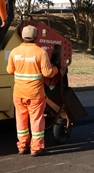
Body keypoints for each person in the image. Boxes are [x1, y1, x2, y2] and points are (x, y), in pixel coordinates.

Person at [6, 25, 58, 156]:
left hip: (18, 93)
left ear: (22, 36)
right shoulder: (40, 52)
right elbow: (47, 73)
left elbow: (9, 71)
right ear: (36, 37)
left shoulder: (14, 51)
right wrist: (57, 69)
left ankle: (22, 146)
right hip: (35, 94)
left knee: (21, 120)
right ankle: (36, 148)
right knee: (36, 120)